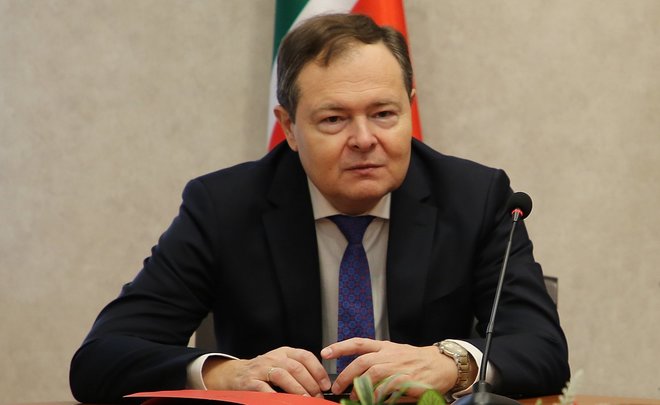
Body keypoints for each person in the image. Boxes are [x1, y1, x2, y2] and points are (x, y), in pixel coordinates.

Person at [70, 13, 569, 403]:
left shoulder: (475, 197)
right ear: (289, 127)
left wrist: (450, 364)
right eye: (333, 119)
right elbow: (101, 358)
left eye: (384, 113)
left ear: (409, 107)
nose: (364, 139)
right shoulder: (224, 207)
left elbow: (543, 349)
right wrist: (226, 373)